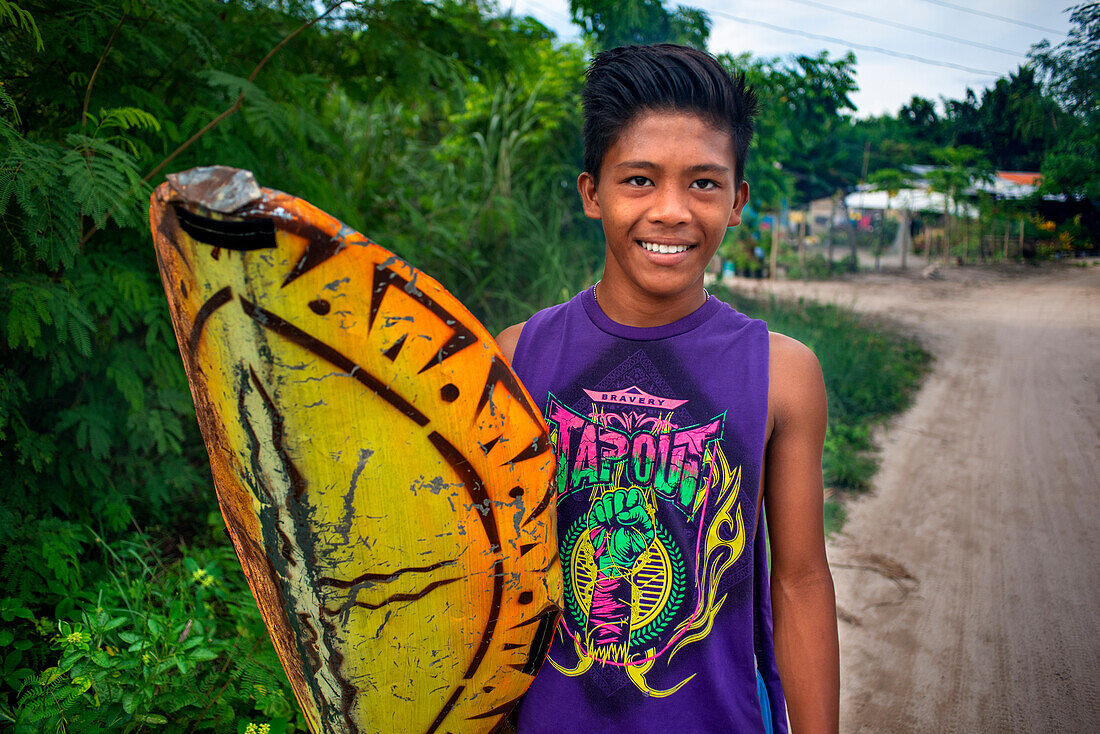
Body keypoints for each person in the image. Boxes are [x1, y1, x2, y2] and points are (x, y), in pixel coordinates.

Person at [496, 44, 839, 732]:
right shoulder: (516, 356)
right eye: (640, 180)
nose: (672, 211)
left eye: (704, 184)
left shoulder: (781, 374)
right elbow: (490, 579)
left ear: (739, 200)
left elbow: (799, 581)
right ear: (593, 193)